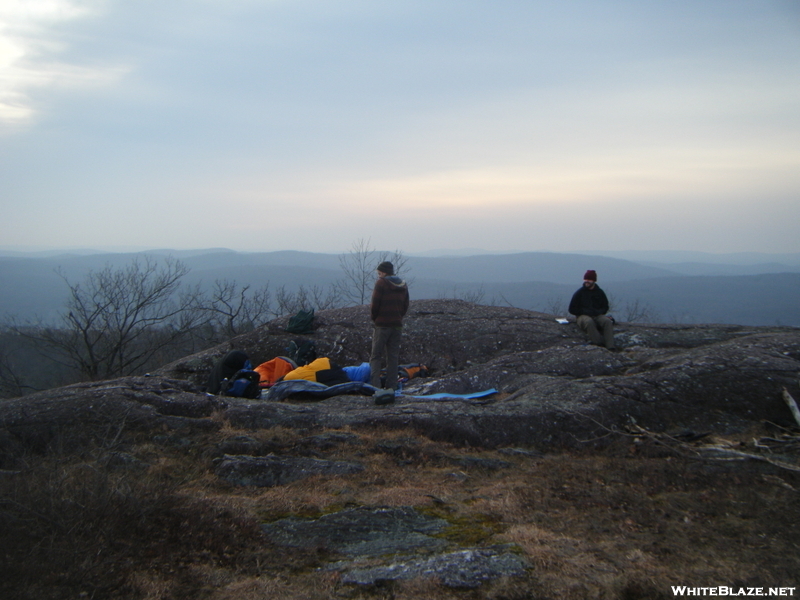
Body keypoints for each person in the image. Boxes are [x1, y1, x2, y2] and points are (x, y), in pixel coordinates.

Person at [369, 261, 410, 391]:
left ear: (384, 272)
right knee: (393, 357)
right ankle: (391, 386)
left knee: (376, 356)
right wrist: (398, 317)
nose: (378, 275)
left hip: (382, 325)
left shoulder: (381, 283)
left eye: (379, 273)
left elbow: (375, 305)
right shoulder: (403, 285)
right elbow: (405, 305)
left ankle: (375, 387)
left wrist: (375, 319)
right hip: (397, 325)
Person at [568, 269, 616, 350]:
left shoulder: (600, 292)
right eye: (585, 279)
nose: (587, 281)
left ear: (594, 281)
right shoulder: (579, 293)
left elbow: (605, 306)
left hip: (597, 315)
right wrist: (583, 312)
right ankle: (599, 344)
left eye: (589, 279)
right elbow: (571, 309)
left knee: (607, 322)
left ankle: (610, 347)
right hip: (582, 316)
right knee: (589, 322)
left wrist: (599, 312)